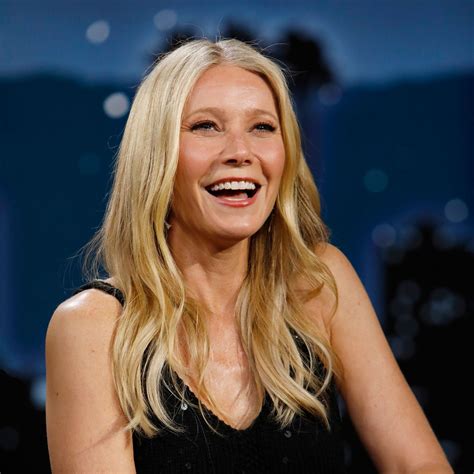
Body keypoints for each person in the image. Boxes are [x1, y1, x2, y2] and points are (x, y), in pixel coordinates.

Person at [45, 38, 453, 473]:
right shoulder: (93, 328)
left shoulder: (319, 284)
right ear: (155, 155)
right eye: (206, 126)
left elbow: (416, 464)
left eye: (262, 127)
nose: (241, 153)